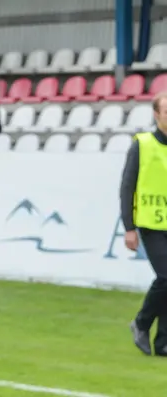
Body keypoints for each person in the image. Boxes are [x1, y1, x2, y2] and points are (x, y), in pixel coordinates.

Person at [123, 92, 167, 357]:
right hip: (150, 223)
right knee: (166, 276)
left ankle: (163, 343)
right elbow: (127, 187)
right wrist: (129, 227)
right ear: (156, 114)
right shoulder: (142, 144)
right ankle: (141, 322)